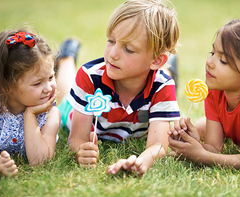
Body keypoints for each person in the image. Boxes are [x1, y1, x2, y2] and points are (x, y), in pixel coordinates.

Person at [58, 0, 180, 177]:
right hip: (75, 111)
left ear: (156, 60)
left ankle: (169, 66)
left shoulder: (163, 87)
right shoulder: (89, 77)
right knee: (65, 92)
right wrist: (80, 150)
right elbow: (77, 137)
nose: (112, 54)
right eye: (111, 41)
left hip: (154, 72)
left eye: (128, 49)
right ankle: (66, 57)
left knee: (160, 77)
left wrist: (140, 162)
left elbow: (159, 145)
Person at [168, 18, 240, 169]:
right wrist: (195, 144)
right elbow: (214, 149)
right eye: (212, 52)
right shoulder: (214, 91)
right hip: (237, 133)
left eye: (223, 60)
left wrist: (202, 157)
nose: (209, 62)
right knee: (199, 127)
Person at [0, 28, 61, 177]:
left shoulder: (51, 115)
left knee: (68, 98)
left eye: (51, 77)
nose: (48, 88)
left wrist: (30, 115)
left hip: (64, 111)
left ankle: (67, 57)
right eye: (37, 83)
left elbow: (39, 161)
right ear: (6, 86)